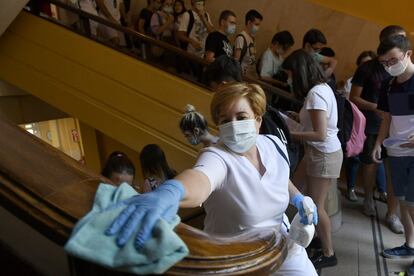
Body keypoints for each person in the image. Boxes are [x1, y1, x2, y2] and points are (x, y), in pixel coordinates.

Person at [106, 82, 318, 276]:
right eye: (225, 120)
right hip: (234, 258)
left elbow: (279, 178)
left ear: (258, 120)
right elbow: (201, 178)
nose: (234, 125)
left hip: (281, 243)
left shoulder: (272, 144)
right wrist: (173, 191)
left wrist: (298, 198)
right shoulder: (217, 157)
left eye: (241, 117)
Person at [282, 49, 343, 269]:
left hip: (323, 154)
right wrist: (297, 118)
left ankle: (329, 254)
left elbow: (319, 133)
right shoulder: (321, 89)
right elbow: (318, 124)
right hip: (317, 153)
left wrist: (290, 133)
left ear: (299, 72)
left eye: (290, 74)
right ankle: (313, 238)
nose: (289, 79)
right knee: (295, 189)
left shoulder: (317, 93)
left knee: (317, 204)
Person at [350, 25, 405, 234]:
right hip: (372, 125)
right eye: (397, 40)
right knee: (372, 163)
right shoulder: (367, 68)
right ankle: (368, 199)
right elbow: (353, 97)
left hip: (397, 129)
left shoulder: (404, 71)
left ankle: (392, 213)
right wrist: (379, 108)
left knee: (394, 171)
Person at [373, 35, 414, 274]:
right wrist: (379, 142)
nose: (389, 66)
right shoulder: (389, 85)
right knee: (403, 202)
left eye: (394, 60)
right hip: (396, 151)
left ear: (408, 54)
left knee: (412, 204)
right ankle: (410, 245)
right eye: (384, 62)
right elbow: (389, 117)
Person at [344, 50, 387, 203]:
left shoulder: (397, 73)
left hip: (383, 126)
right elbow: (353, 98)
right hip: (362, 124)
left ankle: (382, 191)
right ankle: (353, 189)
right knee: (357, 159)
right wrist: (376, 107)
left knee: (378, 162)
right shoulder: (364, 71)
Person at [234, 9, 263, 79]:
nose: (258, 27)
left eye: (259, 25)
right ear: (249, 22)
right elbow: (236, 61)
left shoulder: (252, 38)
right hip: (241, 77)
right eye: (256, 24)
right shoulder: (241, 37)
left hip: (249, 78)